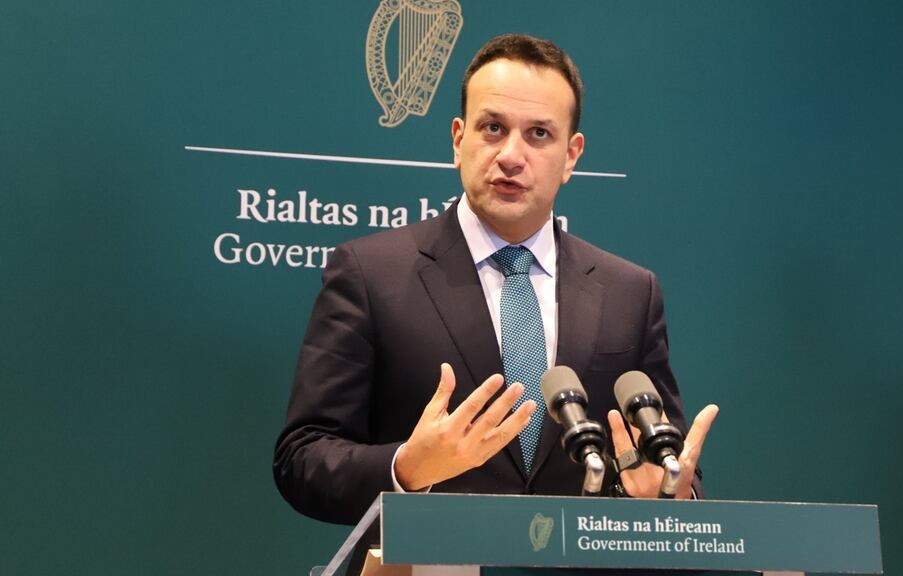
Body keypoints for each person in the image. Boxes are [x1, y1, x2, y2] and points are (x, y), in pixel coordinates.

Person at [273, 33, 717, 573]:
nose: (511, 155)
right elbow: (302, 458)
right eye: (492, 128)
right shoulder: (370, 274)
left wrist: (668, 495)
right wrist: (406, 468)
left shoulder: (630, 292)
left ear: (571, 155)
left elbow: (667, 460)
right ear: (458, 139)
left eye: (538, 134)